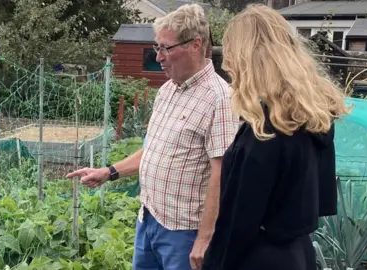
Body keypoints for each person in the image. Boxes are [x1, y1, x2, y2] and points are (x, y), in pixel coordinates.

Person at [66, 3, 239, 270]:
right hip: (148, 220)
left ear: (195, 45)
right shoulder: (167, 91)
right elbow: (152, 150)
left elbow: (222, 173)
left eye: (165, 48)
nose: (158, 57)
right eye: (156, 47)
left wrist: (206, 238)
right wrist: (109, 172)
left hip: (184, 233)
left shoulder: (220, 98)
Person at [201, 4, 350, 270]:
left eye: (231, 55)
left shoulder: (264, 132)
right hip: (299, 252)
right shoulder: (313, 118)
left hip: (258, 258)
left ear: (250, 60)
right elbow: (322, 201)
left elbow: (237, 226)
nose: (226, 65)